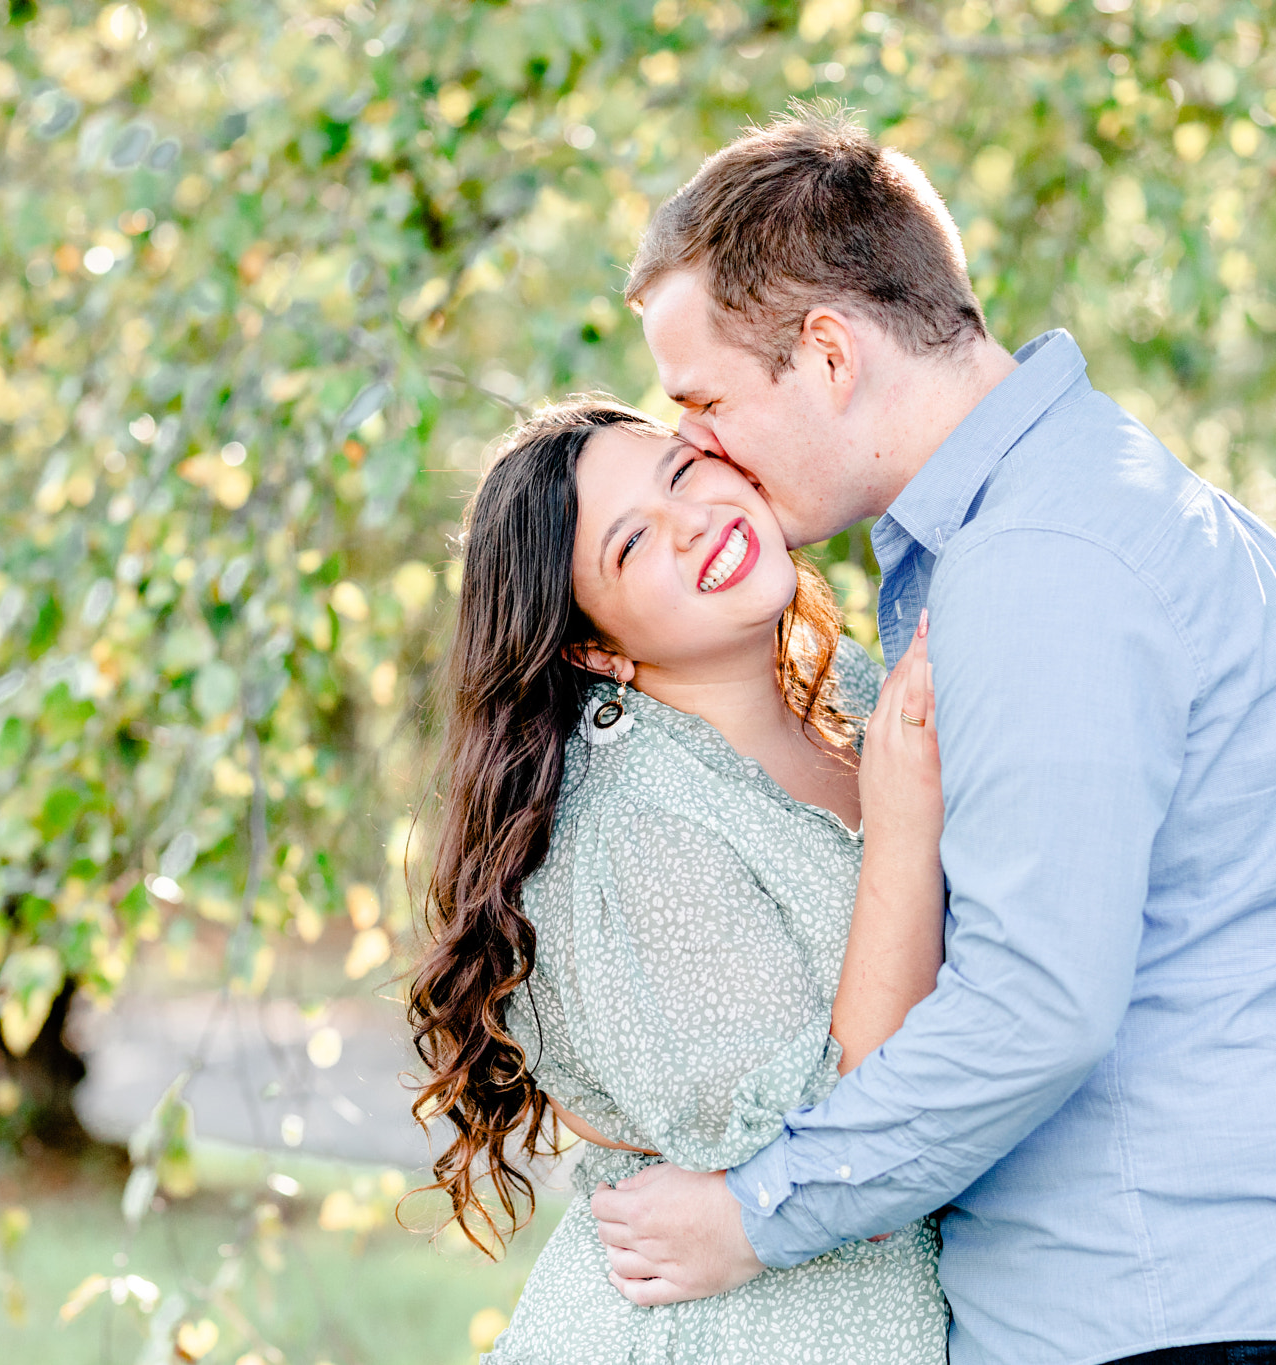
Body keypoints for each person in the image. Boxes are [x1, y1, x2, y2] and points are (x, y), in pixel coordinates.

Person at [588, 111, 1276, 1365]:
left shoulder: (1040, 567)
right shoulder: (1097, 499)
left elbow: (1034, 1007)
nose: (697, 450)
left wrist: (750, 1217)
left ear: (827, 352)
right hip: (1246, 1291)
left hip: (1178, 1317)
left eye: (707, 402)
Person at [407, 398, 954, 1362]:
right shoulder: (634, 828)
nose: (693, 521)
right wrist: (905, 831)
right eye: (633, 546)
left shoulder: (849, 695)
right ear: (593, 646)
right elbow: (845, 1142)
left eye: (678, 473)